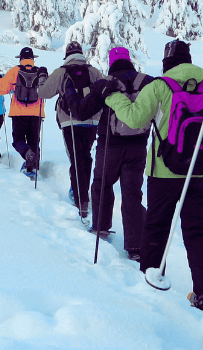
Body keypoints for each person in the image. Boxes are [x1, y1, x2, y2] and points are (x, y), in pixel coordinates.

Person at [104, 39, 203, 313]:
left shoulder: (159, 86)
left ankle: (150, 283)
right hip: (202, 174)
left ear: (167, 65)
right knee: (197, 230)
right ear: (188, 62)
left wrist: (111, 96)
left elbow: (133, 118)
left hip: (165, 172)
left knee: (157, 226)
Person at [64, 46, 153, 261]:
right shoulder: (147, 82)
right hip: (139, 146)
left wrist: (70, 94)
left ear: (111, 62)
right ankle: (135, 247)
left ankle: (100, 229)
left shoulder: (105, 84)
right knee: (132, 193)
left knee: (102, 184)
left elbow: (82, 111)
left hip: (110, 145)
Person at [37, 41, 104, 218]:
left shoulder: (62, 72)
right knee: (86, 156)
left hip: (69, 122)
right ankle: (83, 194)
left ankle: (79, 197)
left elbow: (43, 93)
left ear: (67, 55)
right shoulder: (93, 71)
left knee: (76, 160)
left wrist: (42, 78)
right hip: (91, 122)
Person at [0, 47, 47, 178]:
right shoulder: (39, 72)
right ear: (33, 59)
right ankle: (33, 167)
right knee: (34, 140)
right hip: (36, 113)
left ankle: (27, 154)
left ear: (21, 58)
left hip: (19, 113)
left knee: (18, 140)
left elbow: (0, 90)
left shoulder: (14, 71)